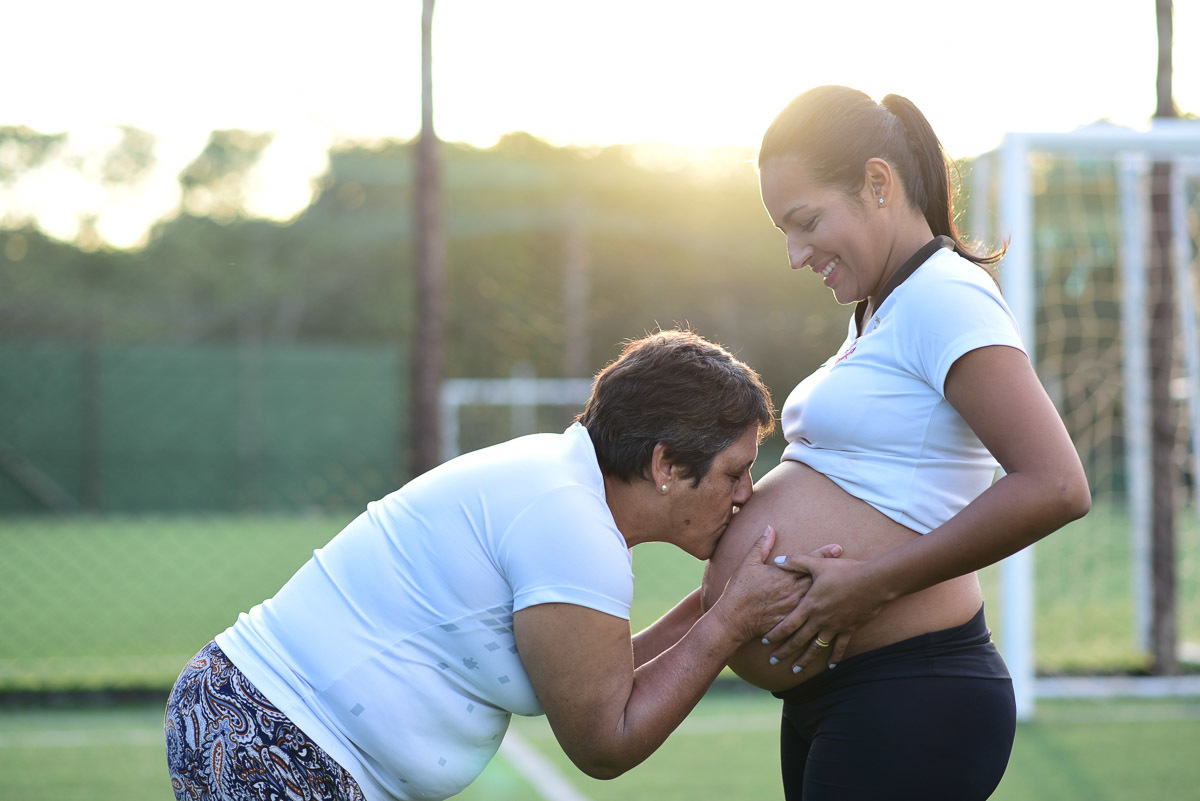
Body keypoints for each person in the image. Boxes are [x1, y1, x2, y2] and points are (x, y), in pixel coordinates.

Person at [164, 329, 840, 801]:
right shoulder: (572, 525)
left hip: (257, 720)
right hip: (269, 733)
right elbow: (605, 740)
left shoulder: (564, 488)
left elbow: (597, 679)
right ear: (666, 465)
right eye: (735, 470)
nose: (747, 492)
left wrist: (712, 603)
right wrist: (729, 623)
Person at [702, 86, 1092, 800]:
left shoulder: (945, 297)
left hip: (913, 690)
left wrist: (871, 583)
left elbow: (1057, 484)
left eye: (806, 220)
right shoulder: (881, 310)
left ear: (878, 183)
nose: (794, 254)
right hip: (844, 693)